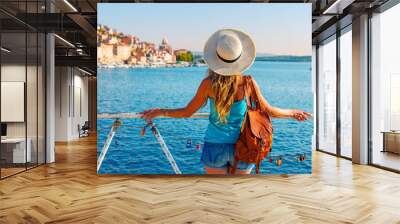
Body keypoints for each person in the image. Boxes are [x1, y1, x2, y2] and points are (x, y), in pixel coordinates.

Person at [140, 29, 311, 174]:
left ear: (215, 58)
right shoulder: (248, 83)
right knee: (236, 196)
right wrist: (293, 113)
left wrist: (160, 111)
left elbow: (187, 112)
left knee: (217, 197)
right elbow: (269, 110)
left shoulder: (208, 85)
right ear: (240, 58)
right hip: (244, 147)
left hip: (214, 148)